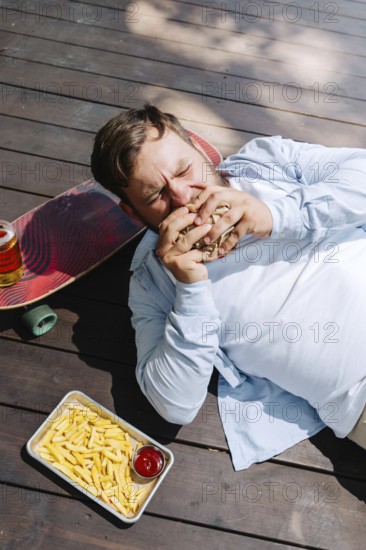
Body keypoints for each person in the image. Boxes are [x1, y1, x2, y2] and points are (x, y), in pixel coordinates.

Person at [91, 104, 366, 470]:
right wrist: (190, 288)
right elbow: (173, 403)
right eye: (156, 196)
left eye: (185, 170)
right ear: (133, 213)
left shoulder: (264, 162)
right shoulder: (153, 281)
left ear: (201, 150)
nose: (185, 197)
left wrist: (275, 215)